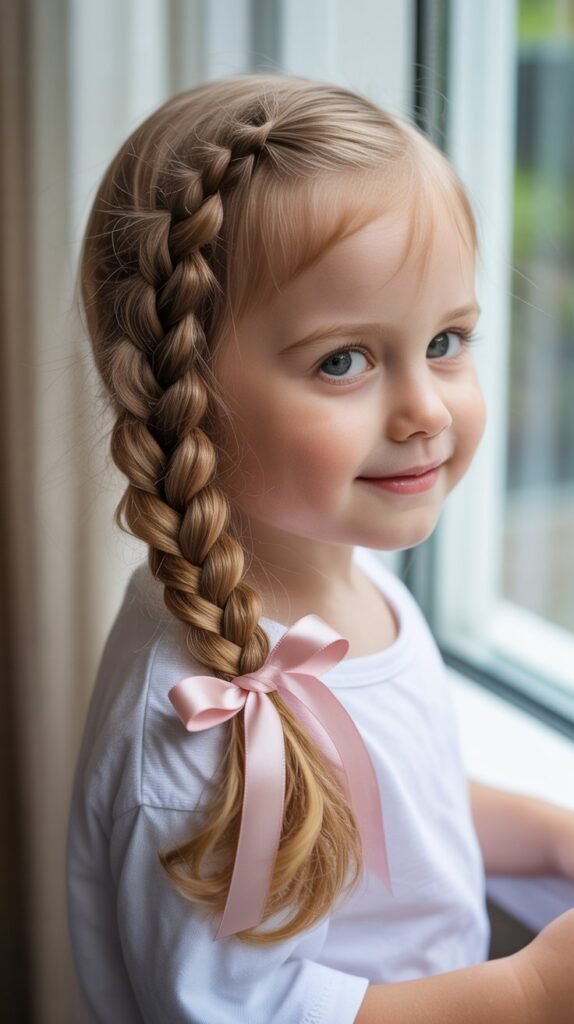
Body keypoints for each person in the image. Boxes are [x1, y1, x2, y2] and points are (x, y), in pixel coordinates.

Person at [66, 72, 574, 1023]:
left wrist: (552, 840)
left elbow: (392, 801)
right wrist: (532, 990)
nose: (425, 409)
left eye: (447, 340)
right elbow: (248, 1012)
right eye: (343, 360)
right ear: (186, 391)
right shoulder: (203, 725)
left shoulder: (342, 581)